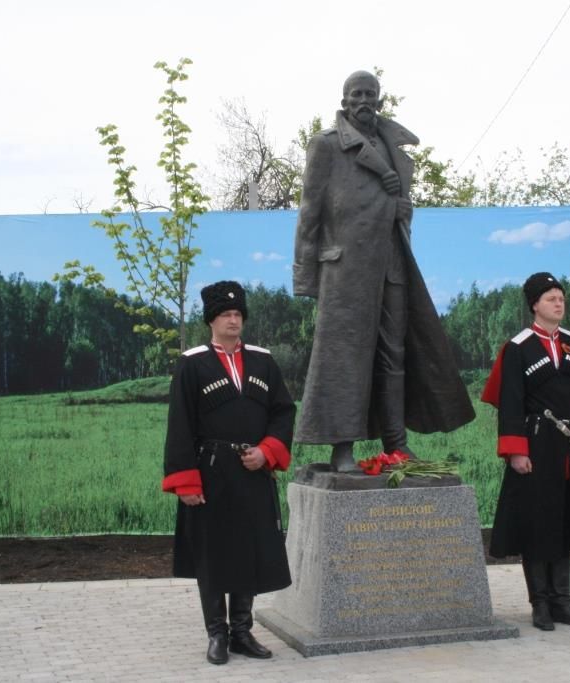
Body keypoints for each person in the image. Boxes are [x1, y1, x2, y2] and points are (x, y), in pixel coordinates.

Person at [292, 70, 473, 471]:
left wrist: (402, 211)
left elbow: (393, 206)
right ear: (344, 100)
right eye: (356, 94)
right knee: (345, 356)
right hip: (347, 269)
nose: (364, 101)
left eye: (370, 94)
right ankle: (342, 449)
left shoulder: (390, 143)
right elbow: (310, 212)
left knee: (395, 354)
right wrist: (306, 276)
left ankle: (396, 444)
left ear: (379, 99)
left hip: (391, 262)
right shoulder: (326, 145)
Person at [161, 280, 295, 665]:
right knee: (213, 555)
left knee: (247, 551)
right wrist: (185, 481)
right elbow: (180, 425)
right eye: (225, 315)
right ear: (211, 320)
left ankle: (242, 632)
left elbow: (283, 412)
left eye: (237, 314)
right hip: (211, 474)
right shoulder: (192, 364)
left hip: (253, 471)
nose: (233, 321)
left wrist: (267, 452)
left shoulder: (263, 361)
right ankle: (217, 634)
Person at [481, 272, 570, 631]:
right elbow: (510, 404)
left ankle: (562, 602)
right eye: (551, 298)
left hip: (569, 450)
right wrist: (515, 452)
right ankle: (540, 604)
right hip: (535, 448)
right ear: (535, 304)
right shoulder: (518, 348)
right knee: (537, 525)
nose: (558, 303)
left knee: (563, 521)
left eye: (561, 297)